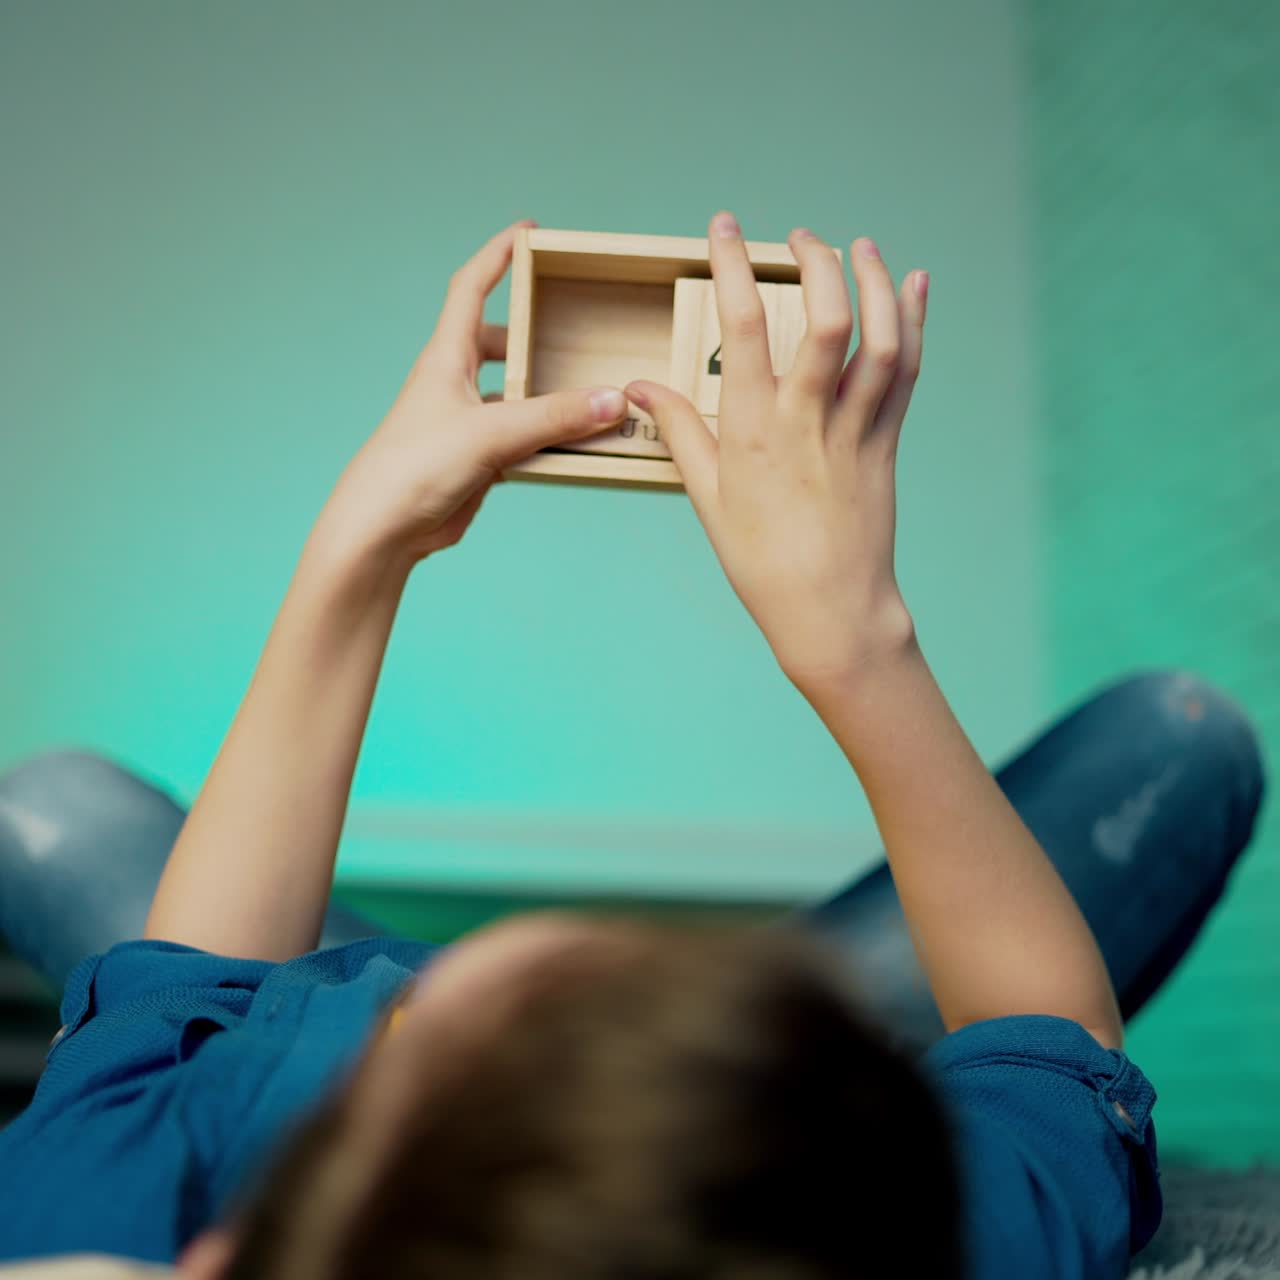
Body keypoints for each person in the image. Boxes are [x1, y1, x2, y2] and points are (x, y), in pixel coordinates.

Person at [0, 214, 1264, 1280]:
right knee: (1181, 734)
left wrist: (361, 544)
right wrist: (852, 639)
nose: (418, 982)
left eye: (391, 1019)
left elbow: (190, 986)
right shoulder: (876, 1199)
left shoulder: (85, 1212)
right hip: (793, 1070)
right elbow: (1051, 1027)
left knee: (45, 805)